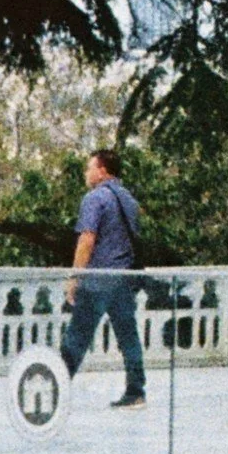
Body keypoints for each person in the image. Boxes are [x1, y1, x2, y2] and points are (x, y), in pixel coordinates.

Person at [62, 145, 147, 407]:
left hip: (98, 279)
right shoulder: (128, 199)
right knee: (128, 335)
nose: (86, 173)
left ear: (101, 170)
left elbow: (87, 239)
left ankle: (58, 385)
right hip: (122, 277)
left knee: (77, 335)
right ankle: (136, 391)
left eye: (89, 168)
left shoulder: (95, 198)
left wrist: (75, 277)